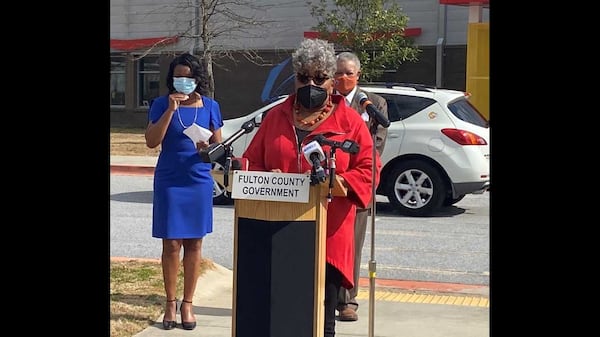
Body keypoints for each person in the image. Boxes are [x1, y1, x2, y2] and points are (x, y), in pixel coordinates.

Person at [242, 38, 380, 337]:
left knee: (321, 317)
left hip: (327, 233)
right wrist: (269, 177)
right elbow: (250, 163)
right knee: (281, 311)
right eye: (304, 77)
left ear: (332, 81)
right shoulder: (275, 117)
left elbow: (370, 170)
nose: (311, 84)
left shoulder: (351, 122)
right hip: (277, 232)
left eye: (319, 78)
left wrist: (340, 182)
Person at [145, 52, 224, 330]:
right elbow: (152, 141)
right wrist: (170, 110)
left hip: (198, 181)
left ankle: (188, 303)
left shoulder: (211, 106)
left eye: (188, 77)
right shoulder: (160, 104)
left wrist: (208, 150)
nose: (183, 82)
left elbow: (219, 151)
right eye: (178, 77)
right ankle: (169, 302)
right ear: (172, 79)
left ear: (197, 79)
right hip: (170, 180)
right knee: (171, 243)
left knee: (194, 243)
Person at [333, 51, 389, 321]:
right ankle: (322, 295)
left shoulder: (374, 104)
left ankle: (347, 300)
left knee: (352, 244)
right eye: (338, 73)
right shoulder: (327, 100)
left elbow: (376, 144)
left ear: (358, 75)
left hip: (356, 182)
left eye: (348, 73)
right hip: (330, 183)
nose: (342, 78)